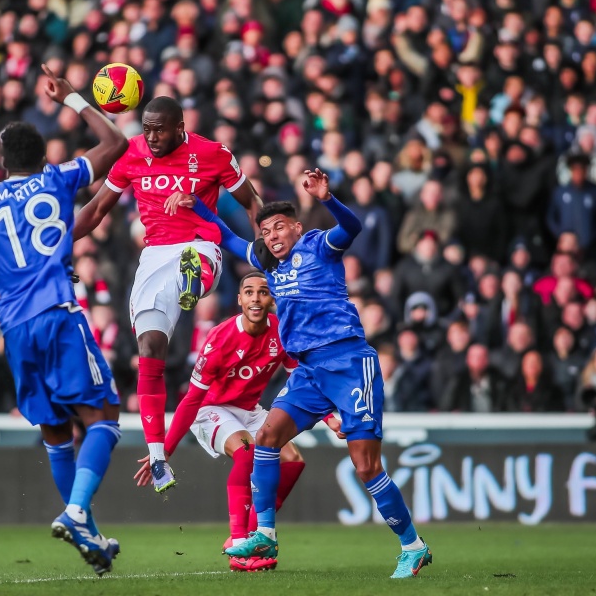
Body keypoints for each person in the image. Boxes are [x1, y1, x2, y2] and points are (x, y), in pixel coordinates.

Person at [175, 169, 431, 579]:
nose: (273, 235)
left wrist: (328, 198)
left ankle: (413, 546)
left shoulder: (320, 245)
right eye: (266, 230)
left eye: (280, 227)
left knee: (366, 466)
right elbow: (225, 236)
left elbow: (353, 226)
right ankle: (266, 534)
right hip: (309, 370)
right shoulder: (264, 261)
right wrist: (198, 205)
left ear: (297, 228)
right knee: (267, 437)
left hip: (348, 363)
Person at [0, 66, 127, 575]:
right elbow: (115, 143)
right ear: (43, 157)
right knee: (104, 417)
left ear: (1, 164)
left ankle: (86, 532)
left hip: (14, 329)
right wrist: (73, 98)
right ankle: (77, 510)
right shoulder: (58, 177)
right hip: (58, 315)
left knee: (57, 433)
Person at [72, 95, 262, 493]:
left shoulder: (212, 154)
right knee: (149, 348)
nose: (153, 137)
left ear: (181, 127)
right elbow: (95, 210)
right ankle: (158, 458)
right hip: (154, 256)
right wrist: (57, 249)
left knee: (192, 266)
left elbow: (252, 202)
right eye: (146, 129)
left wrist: (265, 246)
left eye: (161, 129)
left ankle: (193, 280)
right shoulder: (132, 155)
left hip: (199, 244)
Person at [136, 272, 319, 572]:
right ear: (240, 299)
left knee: (292, 460)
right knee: (247, 452)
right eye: (249, 292)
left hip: (248, 409)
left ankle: (250, 534)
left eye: (262, 292)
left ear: (272, 299)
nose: (256, 298)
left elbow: (300, 378)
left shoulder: (282, 331)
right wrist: (165, 450)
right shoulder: (220, 338)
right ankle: (238, 545)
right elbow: (192, 399)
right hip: (211, 409)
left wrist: (328, 417)